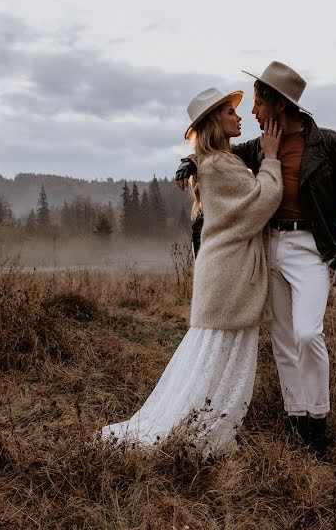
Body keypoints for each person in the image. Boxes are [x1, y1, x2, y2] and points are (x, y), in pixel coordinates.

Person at [175, 61, 336, 457]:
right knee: (282, 340)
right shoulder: (257, 148)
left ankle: (319, 418)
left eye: (258, 103)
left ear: (277, 104)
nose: (253, 112)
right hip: (271, 248)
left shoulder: (329, 143)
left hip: (311, 250)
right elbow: (215, 154)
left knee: (308, 334)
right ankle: (299, 421)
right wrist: (188, 162)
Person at [101, 87, 283, 454]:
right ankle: (200, 432)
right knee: (220, 353)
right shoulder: (219, 164)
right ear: (216, 121)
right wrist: (273, 159)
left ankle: (201, 424)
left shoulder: (214, 160)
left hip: (223, 273)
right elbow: (261, 202)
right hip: (229, 274)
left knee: (215, 354)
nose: (240, 116)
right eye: (231, 112)